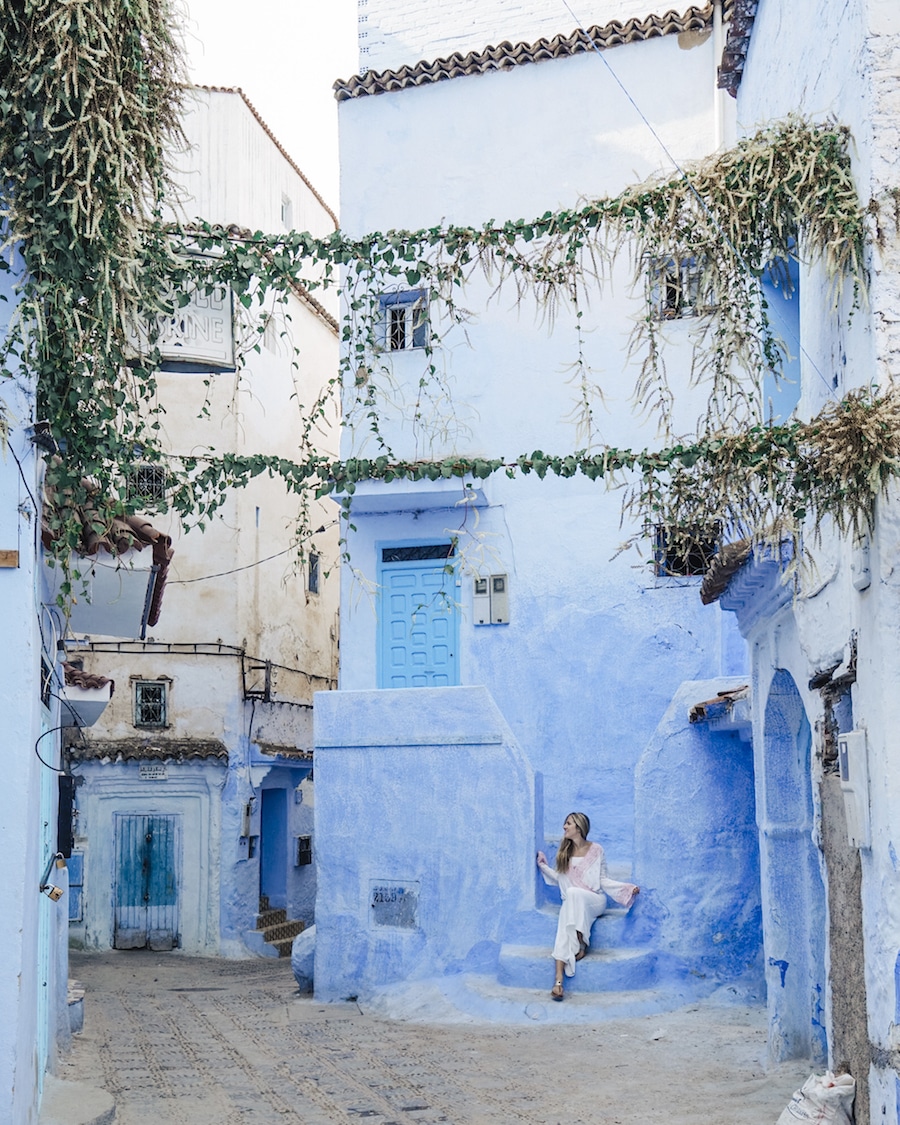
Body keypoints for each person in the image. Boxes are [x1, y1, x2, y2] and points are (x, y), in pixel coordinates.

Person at [536, 812, 639, 1001]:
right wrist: (543, 866)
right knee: (567, 907)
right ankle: (558, 981)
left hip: (594, 900)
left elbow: (602, 879)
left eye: (568, 823)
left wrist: (625, 889)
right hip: (573, 903)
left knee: (572, 896)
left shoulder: (596, 850)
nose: (564, 827)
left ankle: (581, 941)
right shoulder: (564, 852)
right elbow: (560, 878)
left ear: (579, 827)